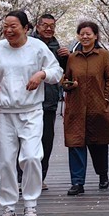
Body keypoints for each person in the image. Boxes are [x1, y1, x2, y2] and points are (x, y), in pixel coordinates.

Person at [0, 10, 62, 216]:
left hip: (31, 110)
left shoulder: (38, 47)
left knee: (32, 157)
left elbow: (56, 71)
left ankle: (30, 206)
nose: (8, 30)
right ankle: (8, 209)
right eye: (6, 26)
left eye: (13, 26)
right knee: (6, 161)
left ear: (26, 28)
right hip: (4, 112)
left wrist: (41, 74)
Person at [62, 20, 109, 195]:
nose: (85, 37)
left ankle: (103, 174)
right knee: (75, 143)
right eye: (82, 34)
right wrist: (68, 85)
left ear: (95, 36)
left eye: (88, 34)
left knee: (99, 143)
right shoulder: (72, 57)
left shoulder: (104, 56)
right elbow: (65, 79)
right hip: (76, 106)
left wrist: (106, 98)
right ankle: (77, 183)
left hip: (97, 106)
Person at [30, 13, 69, 188]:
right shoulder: (28, 44)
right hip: (29, 100)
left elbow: (62, 72)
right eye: (45, 25)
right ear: (37, 26)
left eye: (52, 26)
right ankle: (22, 176)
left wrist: (67, 57)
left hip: (49, 101)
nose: (48, 28)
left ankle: (40, 177)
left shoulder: (56, 46)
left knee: (46, 140)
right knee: (27, 140)